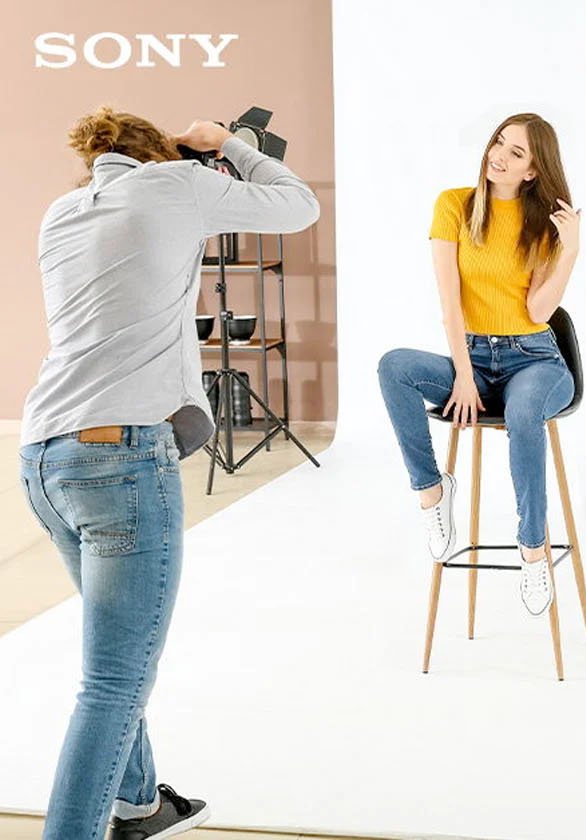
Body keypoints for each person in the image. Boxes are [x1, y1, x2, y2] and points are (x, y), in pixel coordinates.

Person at [17, 106, 319, 839]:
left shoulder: (62, 210)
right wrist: (227, 146)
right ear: (161, 156)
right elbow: (300, 206)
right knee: (115, 680)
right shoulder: (178, 184)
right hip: (122, 458)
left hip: (44, 457)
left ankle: (140, 803)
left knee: (118, 650)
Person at [377, 113, 580, 616]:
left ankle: (533, 549)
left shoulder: (540, 228)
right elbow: (449, 303)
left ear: (533, 171)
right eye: (499, 142)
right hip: (476, 358)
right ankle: (430, 490)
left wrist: (570, 248)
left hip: (536, 360)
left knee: (523, 412)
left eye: (517, 153)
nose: (500, 155)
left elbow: (538, 312)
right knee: (394, 366)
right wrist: (465, 376)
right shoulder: (455, 205)